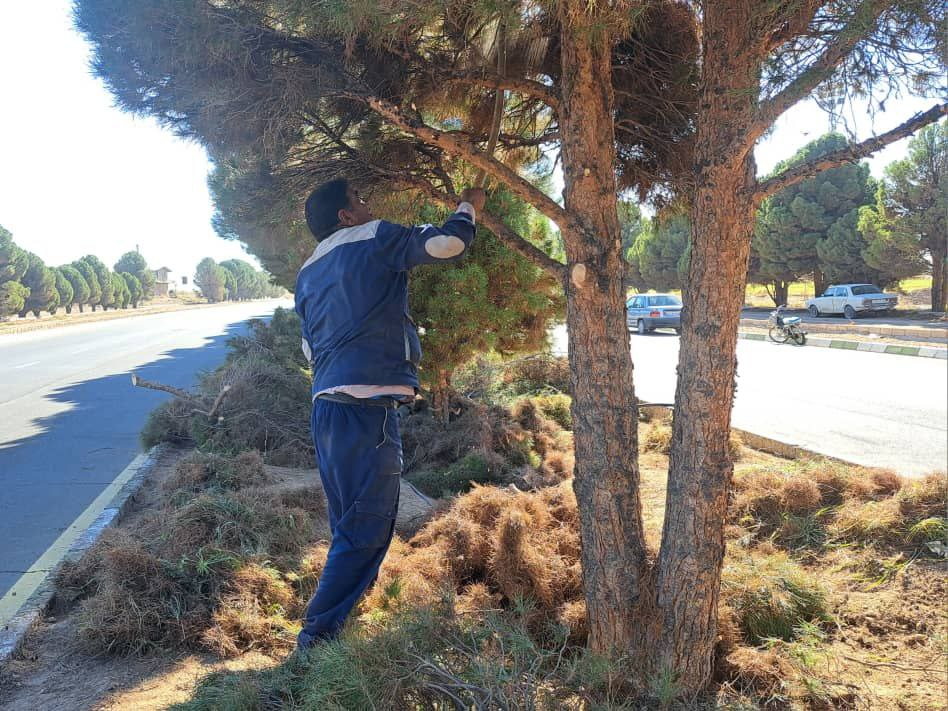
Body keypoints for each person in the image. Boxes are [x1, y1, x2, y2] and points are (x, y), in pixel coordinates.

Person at [294, 178, 485, 648]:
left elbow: (307, 346)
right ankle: (316, 641)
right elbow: (448, 243)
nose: (367, 202)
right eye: (361, 197)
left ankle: (348, 614)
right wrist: (469, 206)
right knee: (367, 528)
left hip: (327, 409)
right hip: (366, 411)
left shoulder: (307, 271)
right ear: (344, 215)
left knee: (348, 522)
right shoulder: (374, 235)